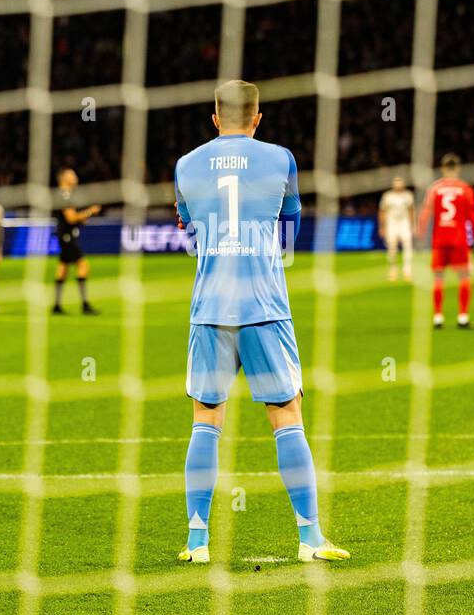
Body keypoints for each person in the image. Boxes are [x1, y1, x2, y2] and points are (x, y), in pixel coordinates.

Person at [172, 79, 348, 564]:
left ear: (214, 118)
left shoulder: (186, 166)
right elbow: (289, 228)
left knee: (206, 420)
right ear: (257, 118)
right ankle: (310, 540)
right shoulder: (281, 158)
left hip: (210, 307)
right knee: (286, 417)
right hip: (265, 306)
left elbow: (190, 234)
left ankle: (197, 541)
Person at [417, 154, 474, 328]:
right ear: (458, 168)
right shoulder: (465, 188)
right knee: (464, 276)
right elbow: (472, 216)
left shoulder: (434, 189)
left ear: (443, 169)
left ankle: (438, 317)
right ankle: (463, 317)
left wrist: (420, 236)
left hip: (440, 239)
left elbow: (425, 214)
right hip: (458, 238)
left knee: (438, 278)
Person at [53, 168, 100, 315]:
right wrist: (90, 212)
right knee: (83, 265)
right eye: (72, 175)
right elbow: (71, 218)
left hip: (65, 235)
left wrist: (82, 218)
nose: (76, 177)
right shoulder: (65, 195)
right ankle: (85, 304)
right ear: (64, 178)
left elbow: (73, 219)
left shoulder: (66, 194)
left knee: (63, 268)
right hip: (67, 236)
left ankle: (57, 305)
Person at [377, 176, 415, 282]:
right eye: (396, 182)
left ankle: (407, 271)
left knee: (408, 245)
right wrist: (382, 226)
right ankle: (392, 270)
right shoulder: (387, 196)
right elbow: (382, 211)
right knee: (392, 247)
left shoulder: (408, 195)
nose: (398, 184)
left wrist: (413, 225)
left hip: (404, 223)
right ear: (393, 184)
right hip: (391, 223)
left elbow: (411, 210)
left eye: (400, 181)